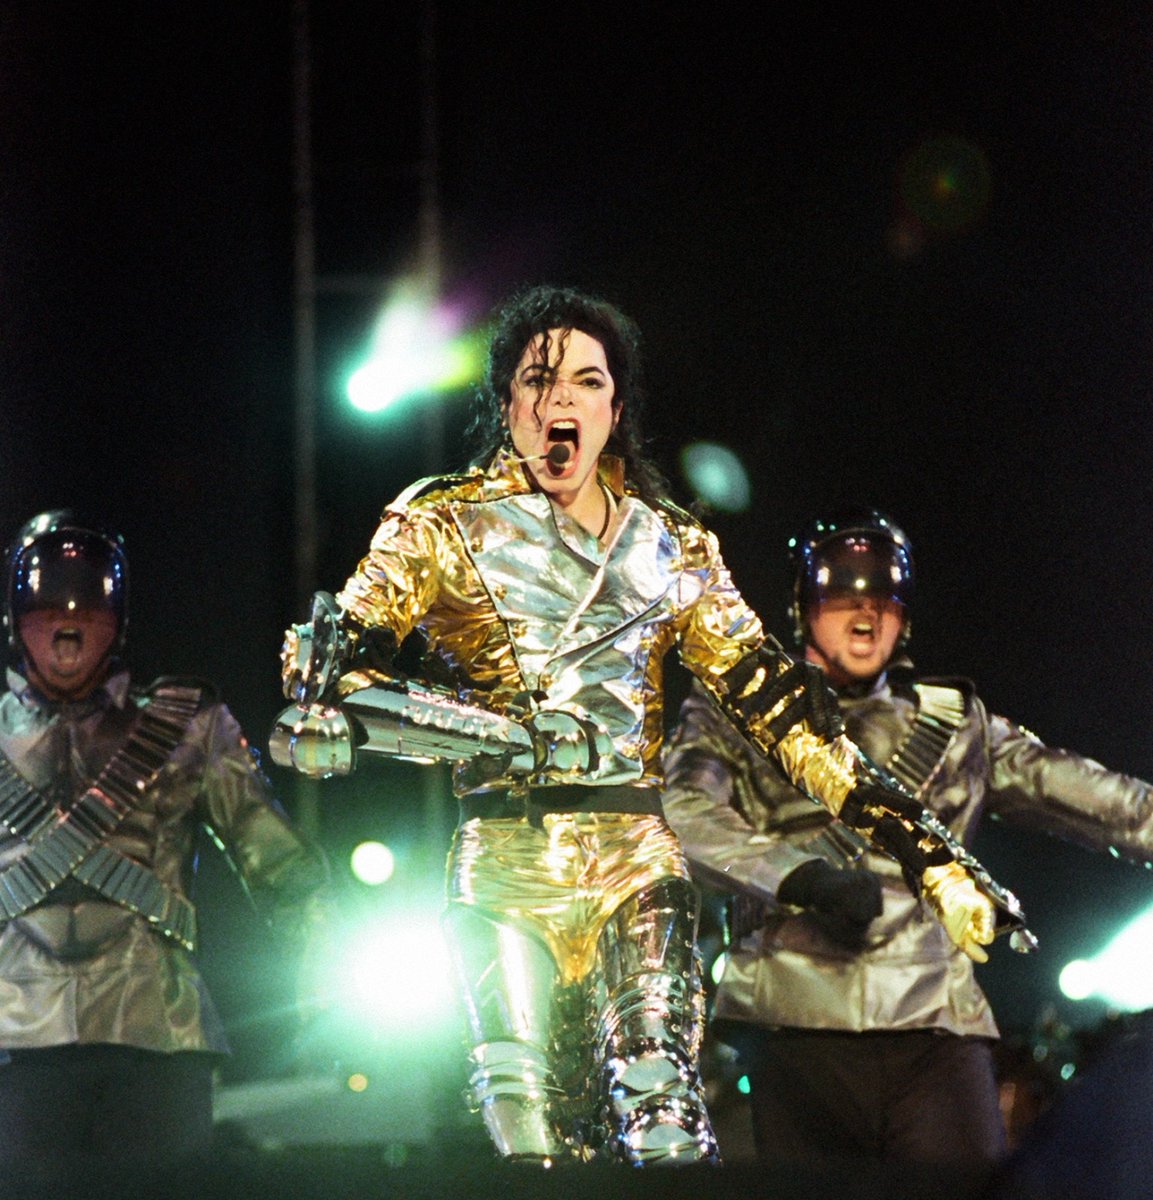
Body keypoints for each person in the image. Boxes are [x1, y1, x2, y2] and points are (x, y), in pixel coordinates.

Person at [273, 288, 1020, 1167]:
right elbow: (325, 668)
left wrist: (931, 856)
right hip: (507, 861)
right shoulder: (442, 522)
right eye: (537, 380)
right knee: (525, 1131)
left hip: (634, 856)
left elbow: (787, 715)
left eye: (584, 382)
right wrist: (501, 738)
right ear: (506, 404)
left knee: (664, 1114)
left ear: (614, 410)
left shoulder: (671, 547)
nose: (559, 401)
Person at [661, 508, 1153, 1171]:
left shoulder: (955, 726)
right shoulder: (734, 712)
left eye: (882, 598)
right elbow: (680, 812)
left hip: (933, 1031)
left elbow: (1103, 802)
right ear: (803, 605)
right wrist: (794, 874)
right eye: (841, 595)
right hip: (794, 1024)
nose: (864, 616)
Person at [0, 510, 330, 1178]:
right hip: (13, 1038)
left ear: (120, 618)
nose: (69, 614)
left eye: (90, 597)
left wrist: (321, 964)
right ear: (17, 617)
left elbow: (276, 857)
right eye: (49, 596)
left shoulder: (186, 725)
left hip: (157, 1031)